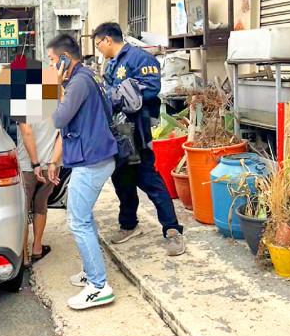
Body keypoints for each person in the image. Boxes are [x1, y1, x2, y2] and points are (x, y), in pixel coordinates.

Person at [92, 22, 186, 256]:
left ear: (108, 40)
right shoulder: (113, 63)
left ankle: (172, 230)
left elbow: (150, 89)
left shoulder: (139, 59)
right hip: (119, 132)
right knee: (122, 179)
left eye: (98, 45)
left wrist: (117, 95)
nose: (98, 50)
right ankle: (129, 224)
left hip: (136, 131)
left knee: (148, 178)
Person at [47, 33, 118, 310]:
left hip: (91, 162)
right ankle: (91, 272)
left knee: (78, 221)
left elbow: (58, 119)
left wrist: (54, 87)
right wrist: (55, 162)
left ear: (65, 59)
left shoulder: (77, 83)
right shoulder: (89, 77)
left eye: (53, 60)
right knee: (84, 218)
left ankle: (99, 286)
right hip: (96, 156)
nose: (50, 66)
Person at [17, 118, 62, 267]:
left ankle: (24, 257)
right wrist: (53, 162)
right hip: (50, 165)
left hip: (27, 165)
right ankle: (37, 248)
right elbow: (62, 134)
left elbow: (27, 131)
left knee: (22, 209)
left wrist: (35, 163)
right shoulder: (57, 101)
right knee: (41, 204)